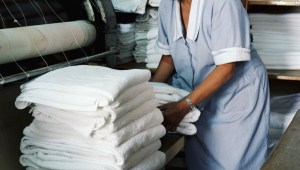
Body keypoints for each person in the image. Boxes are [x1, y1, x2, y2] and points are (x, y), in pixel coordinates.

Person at [151, 0, 270, 169]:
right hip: (197, 96)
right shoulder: (167, 5)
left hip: (236, 96)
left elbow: (227, 68)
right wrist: (148, 94)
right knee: (201, 163)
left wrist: (184, 105)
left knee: (234, 162)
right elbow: (169, 59)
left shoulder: (223, 3)